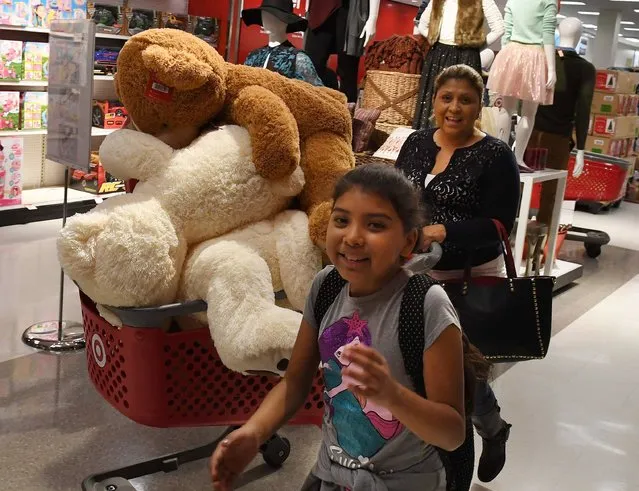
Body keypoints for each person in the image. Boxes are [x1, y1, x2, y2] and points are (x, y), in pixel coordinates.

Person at [210, 164, 468, 491]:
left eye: (375, 225)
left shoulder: (426, 304)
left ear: (408, 242)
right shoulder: (326, 286)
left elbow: (452, 433)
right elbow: (295, 383)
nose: (353, 237)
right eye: (341, 220)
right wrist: (253, 432)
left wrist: (392, 395)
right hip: (332, 474)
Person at [395, 64, 519, 484]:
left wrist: (444, 231)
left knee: (459, 377)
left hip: (468, 277)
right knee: (426, 372)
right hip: (414, 275)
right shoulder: (414, 143)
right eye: (446, 97)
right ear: (434, 102)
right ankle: (482, 430)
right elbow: (396, 197)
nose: (454, 107)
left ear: (478, 106)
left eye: (465, 99)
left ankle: (484, 435)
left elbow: (500, 225)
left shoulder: (496, 155)